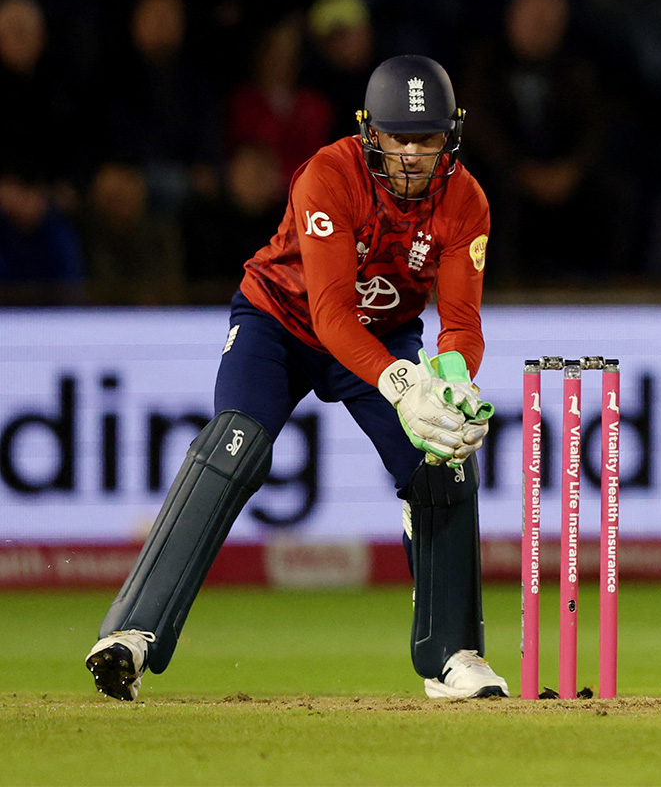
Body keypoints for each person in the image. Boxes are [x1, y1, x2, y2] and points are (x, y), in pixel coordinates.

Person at [86, 55, 506, 703]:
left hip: (385, 335)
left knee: (442, 458)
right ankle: (131, 635)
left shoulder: (466, 201)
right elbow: (331, 313)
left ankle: (451, 654)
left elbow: (461, 323)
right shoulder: (328, 176)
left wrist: (454, 384)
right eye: (401, 137)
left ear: (450, 135)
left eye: (427, 139)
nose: (414, 155)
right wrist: (402, 386)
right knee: (236, 445)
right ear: (372, 133)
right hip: (280, 321)